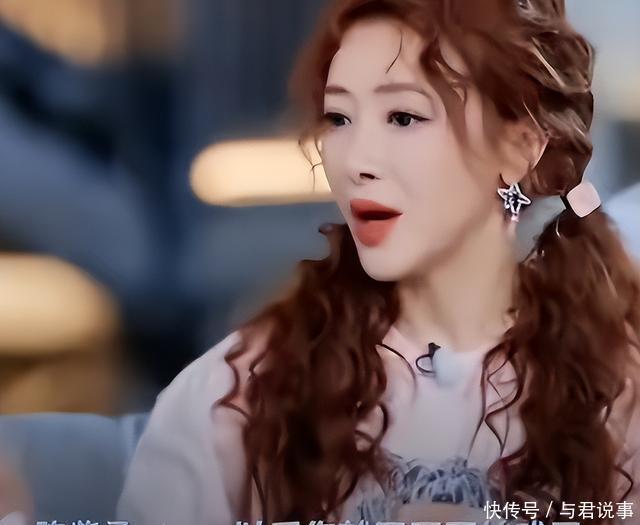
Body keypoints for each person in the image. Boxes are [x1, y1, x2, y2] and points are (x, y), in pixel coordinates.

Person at [117, 0, 640, 523]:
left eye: (403, 117)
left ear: (520, 146)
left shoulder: (616, 386)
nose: (358, 161)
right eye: (339, 118)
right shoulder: (237, 394)